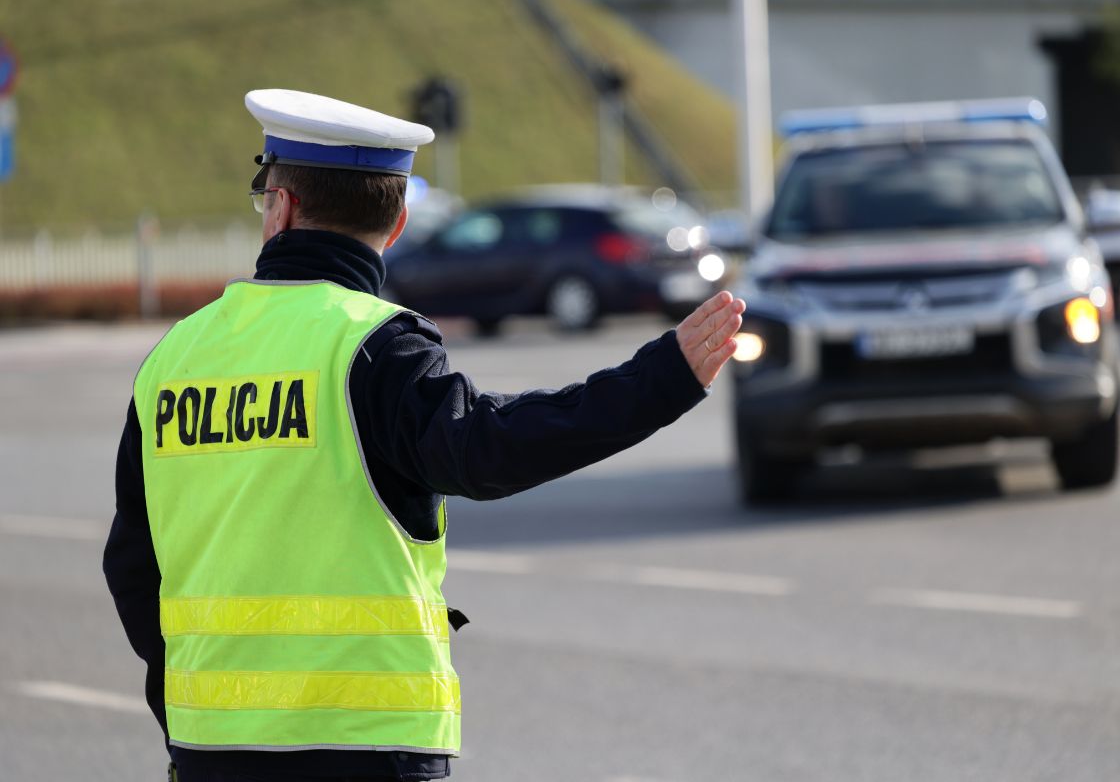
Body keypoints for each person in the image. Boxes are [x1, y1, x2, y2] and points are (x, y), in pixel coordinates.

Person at [102, 89, 746, 782]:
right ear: (399, 220)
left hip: (211, 752)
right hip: (367, 748)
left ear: (281, 206)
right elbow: (492, 447)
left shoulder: (174, 359)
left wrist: (194, 714)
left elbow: (133, 569)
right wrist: (662, 379)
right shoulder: (371, 348)